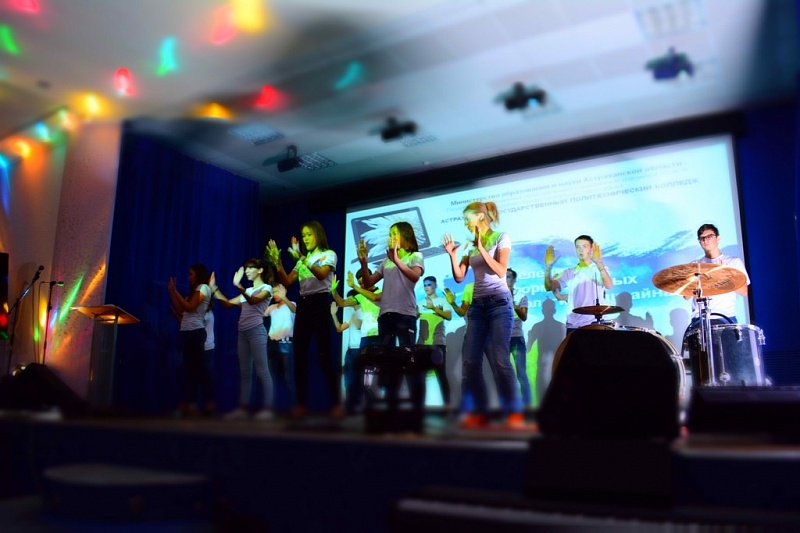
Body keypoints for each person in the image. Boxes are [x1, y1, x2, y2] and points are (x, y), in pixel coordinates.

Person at [443, 201, 523, 428]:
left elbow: (500, 270)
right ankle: (480, 412)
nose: (464, 223)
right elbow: (460, 277)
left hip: (499, 304)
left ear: (480, 216)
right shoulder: (470, 246)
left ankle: (513, 412)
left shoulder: (501, 237)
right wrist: (452, 256)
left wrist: (481, 248)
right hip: (477, 307)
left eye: (466, 218)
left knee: (500, 359)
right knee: (470, 362)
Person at [267, 221, 340, 419]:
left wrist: (301, 257)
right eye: (303, 235)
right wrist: (278, 263)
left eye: (309, 234)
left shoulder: (329, 254)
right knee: (299, 355)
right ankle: (300, 404)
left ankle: (335, 403)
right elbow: (287, 280)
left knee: (324, 354)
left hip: (320, 303)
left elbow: (321, 275)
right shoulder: (302, 261)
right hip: (304, 304)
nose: (305, 238)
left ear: (318, 235)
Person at [357, 221, 425, 410]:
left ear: (406, 236)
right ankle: (390, 404)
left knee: (408, 359)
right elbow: (368, 283)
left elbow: (414, 276)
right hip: (386, 315)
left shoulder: (415, 256)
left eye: (394, 233)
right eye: (389, 234)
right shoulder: (385, 261)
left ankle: (416, 407)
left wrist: (397, 260)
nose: (390, 237)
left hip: (405, 315)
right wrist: (364, 262)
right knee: (386, 362)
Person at [210, 259, 274, 421]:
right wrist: (214, 289)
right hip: (242, 333)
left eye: (250, 268)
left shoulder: (266, 288)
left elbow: (253, 300)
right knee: (245, 371)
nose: (246, 271)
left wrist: (238, 285)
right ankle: (243, 408)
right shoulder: (248, 290)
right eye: (246, 269)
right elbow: (227, 304)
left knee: (262, 370)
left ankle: (268, 408)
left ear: (260, 270)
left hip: (257, 331)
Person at [167, 263, 213, 417]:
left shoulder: (204, 288)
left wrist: (176, 292)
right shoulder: (193, 292)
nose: (189, 277)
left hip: (195, 333)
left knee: (201, 369)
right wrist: (172, 292)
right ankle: (189, 405)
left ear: (198, 274)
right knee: (189, 371)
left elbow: (190, 307)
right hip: (187, 333)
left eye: (191, 274)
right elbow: (181, 309)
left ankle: (209, 402)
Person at [544, 235, 613, 332]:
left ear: (591, 248)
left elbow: (609, 285)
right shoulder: (569, 272)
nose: (581, 250)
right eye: (578, 247)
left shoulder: (599, 269)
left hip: (595, 323)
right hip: (574, 325)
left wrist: (599, 263)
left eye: (584, 246)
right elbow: (549, 286)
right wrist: (548, 268)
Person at [689, 223, 750, 323]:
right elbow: (686, 296)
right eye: (702, 238)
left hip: (725, 316)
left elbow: (744, 292)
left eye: (710, 236)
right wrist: (693, 279)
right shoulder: (696, 265)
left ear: (718, 238)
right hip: (700, 318)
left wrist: (724, 277)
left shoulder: (733, 262)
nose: (705, 240)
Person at [417, 276, 452, 408]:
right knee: (420, 377)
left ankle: (447, 407)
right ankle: (420, 407)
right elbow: (413, 317)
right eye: (425, 285)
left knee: (441, 375)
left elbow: (448, 316)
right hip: (422, 345)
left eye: (429, 284)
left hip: (438, 343)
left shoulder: (443, 301)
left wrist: (433, 308)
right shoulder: (420, 303)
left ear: (435, 285)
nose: (427, 287)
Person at [264, 283, 296, 412]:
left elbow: (295, 310)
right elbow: (259, 313)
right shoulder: (272, 308)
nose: (275, 294)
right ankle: (270, 407)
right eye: (273, 292)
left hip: (285, 344)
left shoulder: (291, 304)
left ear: (285, 291)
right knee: (270, 376)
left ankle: (295, 407)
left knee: (288, 377)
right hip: (272, 344)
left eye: (277, 291)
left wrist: (285, 298)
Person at [505, 268, 532, 408]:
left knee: (521, 372)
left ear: (514, 280)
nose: (505, 279)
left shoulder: (521, 295)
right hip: (501, 339)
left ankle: (527, 406)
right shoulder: (495, 297)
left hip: (516, 338)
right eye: (503, 276)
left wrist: (513, 304)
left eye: (508, 276)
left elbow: (524, 316)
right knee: (503, 374)